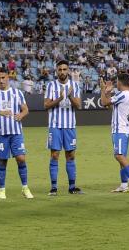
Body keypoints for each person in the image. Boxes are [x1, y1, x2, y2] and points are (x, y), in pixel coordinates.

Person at [0, 67, 34, 200]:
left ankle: (25, 188)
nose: (1, 81)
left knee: (21, 158)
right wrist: (0, 112)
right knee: (2, 161)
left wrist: (21, 115)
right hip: (0, 133)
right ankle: (2, 190)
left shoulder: (17, 93)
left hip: (16, 131)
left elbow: (25, 109)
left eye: (3, 77)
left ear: (8, 77)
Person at [43, 60, 83, 196]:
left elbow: (78, 105)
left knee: (70, 156)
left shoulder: (75, 85)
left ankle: (72, 187)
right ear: (56, 71)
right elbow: (46, 105)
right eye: (60, 69)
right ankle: (53, 188)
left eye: (64, 69)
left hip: (70, 126)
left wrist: (70, 95)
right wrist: (60, 98)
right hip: (55, 125)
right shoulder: (51, 86)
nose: (62, 72)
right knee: (55, 155)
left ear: (68, 71)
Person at [100, 73, 129, 194]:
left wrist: (103, 89)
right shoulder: (127, 95)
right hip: (122, 129)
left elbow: (104, 103)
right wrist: (108, 93)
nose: (116, 83)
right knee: (122, 157)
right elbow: (111, 106)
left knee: (119, 155)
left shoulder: (123, 95)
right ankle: (123, 185)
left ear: (120, 82)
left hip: (120, 129)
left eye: (117, 81)